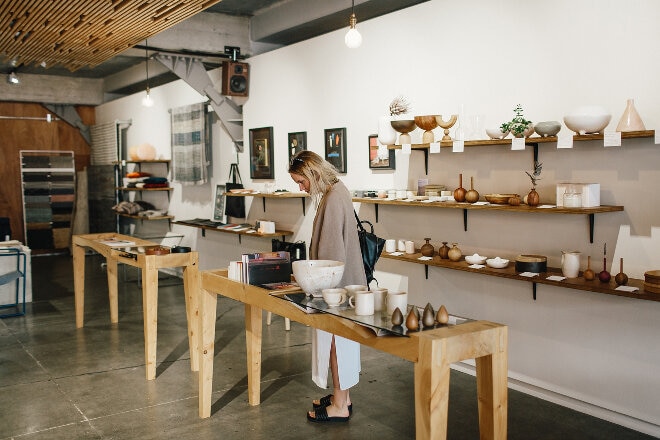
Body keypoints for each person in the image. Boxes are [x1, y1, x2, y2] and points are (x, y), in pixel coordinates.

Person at [288, 150, 366, 423]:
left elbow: (332, 255)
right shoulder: (338, 190)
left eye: (301, 181)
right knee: (342, 344)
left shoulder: (332, 199)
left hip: (337, 288)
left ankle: (340, 405)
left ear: (313, 173)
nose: (301, 187)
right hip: (348, 282)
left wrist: (318, 289)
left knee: (336, 343)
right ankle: (341, 396)